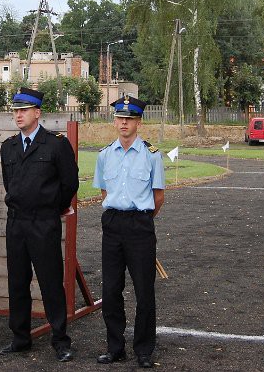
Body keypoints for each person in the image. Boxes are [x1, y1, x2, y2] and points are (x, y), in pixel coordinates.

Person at [0, 87, 78, 362]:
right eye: (16, 111)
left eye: (24, 110)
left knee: (50, 282)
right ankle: (20, 338)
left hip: (43, 222)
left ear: (37, 112)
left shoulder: (55, 144)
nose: (18, 115)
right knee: (17, 282)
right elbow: (10, 183)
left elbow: (69, 182)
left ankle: (60, 340)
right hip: (16, 222)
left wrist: (52, 208)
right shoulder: (8, 146)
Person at [93, 96, 165, 368]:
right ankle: (115, 348)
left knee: (144, 290)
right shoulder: (104, 155)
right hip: (113, 224)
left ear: (138, 122)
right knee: (111, 289)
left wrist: (140, 219)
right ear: (115, 121)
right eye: (120, 118)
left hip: (140, 226)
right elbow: (104, 192)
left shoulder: (151, 154)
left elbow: (158, 197)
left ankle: (144, 350)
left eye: (129, 119)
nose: (124, 123)